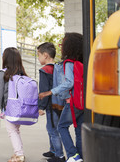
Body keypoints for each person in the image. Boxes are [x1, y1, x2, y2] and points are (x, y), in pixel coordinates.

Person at [39, 33, 84, 162]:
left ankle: (73, 155)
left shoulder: (69, 63)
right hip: (83, 102)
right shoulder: (81, 63)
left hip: (73, 102)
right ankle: (80, 156)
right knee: (79, 130)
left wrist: (50, 92)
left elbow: (69, 83)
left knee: (61, 127)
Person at [0, 47, 29, 162]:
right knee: (16, 130)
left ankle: (19, 155)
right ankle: (18, 153)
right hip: (21, 107)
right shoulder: (22, 74)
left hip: (10, 108)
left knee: (12, 131)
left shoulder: (3, 73)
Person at [37, 42, 65, 162]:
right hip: (60, 103)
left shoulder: (45, 70)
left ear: (46, 55)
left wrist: (41, 107)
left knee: (53, 130)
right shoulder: (58, 68)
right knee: (52, 127)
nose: (38, 58)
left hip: (50, 105)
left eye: (38, 55)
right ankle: (53, 150)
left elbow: (44, 90)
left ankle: (59, 156)